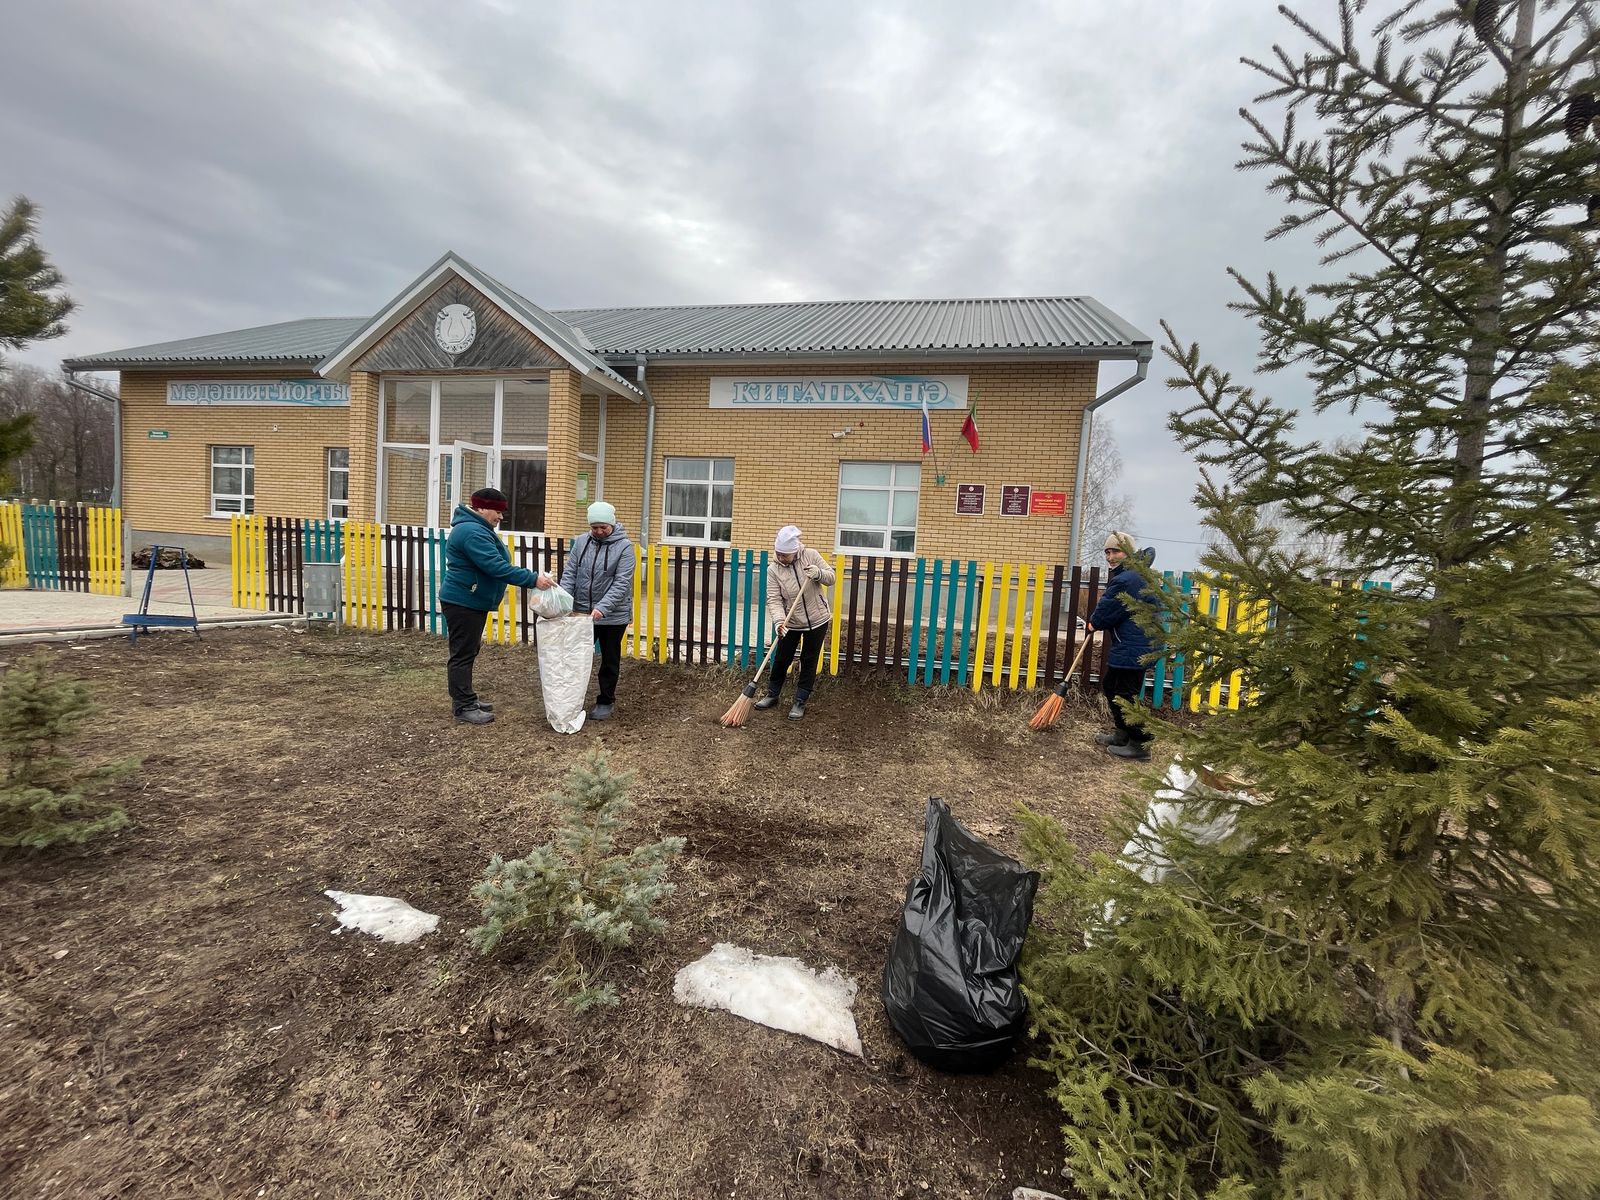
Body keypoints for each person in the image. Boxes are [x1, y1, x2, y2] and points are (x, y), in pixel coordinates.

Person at [439, 487, 553, 725]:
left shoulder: (476, 528)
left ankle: (467, 698)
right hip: (464, 600)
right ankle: (463, 706)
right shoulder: (472, 531)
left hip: (469, 598)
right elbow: (495, 566)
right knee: (462, 654)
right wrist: (533, 579)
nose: (501, 516)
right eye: (498, 511)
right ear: (481, 508)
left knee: (468, 651)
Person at [1086, 531, 1162, 761]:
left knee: (1125, 694)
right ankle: (1122, 734)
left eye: (1116, 552)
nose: (1110, 557)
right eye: (1107, 552)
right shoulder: (1132, 575)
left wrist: (1094, 623)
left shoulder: (1128, 579)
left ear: (1128, 552)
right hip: (1134, 643)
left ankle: (1140, 744)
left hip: (1135, 645)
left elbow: (1108, 609)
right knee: (1111, 686)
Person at [559, 501, 636, 721]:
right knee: (576, 657)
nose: (599, 531)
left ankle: (605, 701)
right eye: (595, 527)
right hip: (582, 612)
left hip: (613, 616)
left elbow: (622, 583)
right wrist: (563, 599)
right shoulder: (581, 542)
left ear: (612, 524)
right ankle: (573, 699)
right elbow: (570, 573)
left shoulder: (624, 547)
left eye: (603, 527)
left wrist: (602, 607)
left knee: (609, 660)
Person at [757, 524, 836, 720]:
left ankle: (800, 700)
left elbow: (831, 577)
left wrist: (818, 573)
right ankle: (772, 694)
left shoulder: (811, 555)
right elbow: (774, 599)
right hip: (790, 622)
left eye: (785, 554)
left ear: (794, 551)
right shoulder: (773, 570)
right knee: (782, 659)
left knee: (808, 660)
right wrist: (779, 622)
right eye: (778, 553)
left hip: (818, 620)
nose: (781, 557)